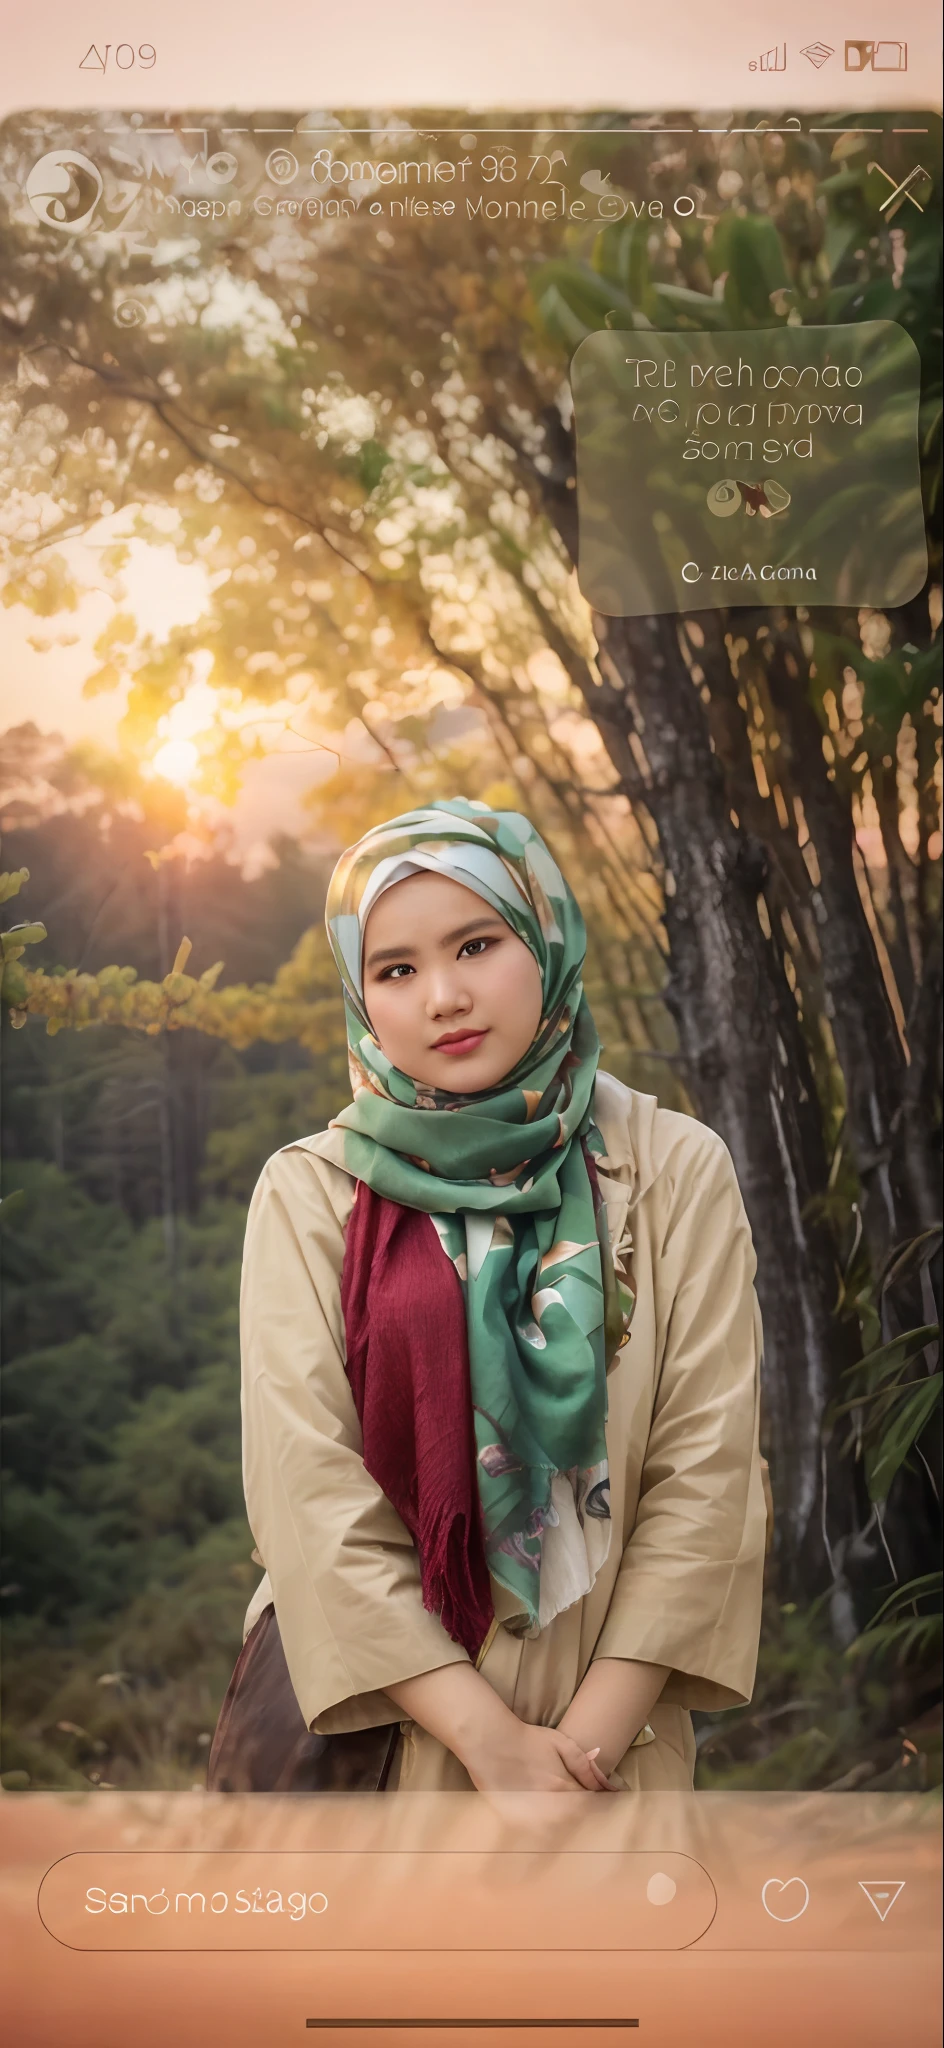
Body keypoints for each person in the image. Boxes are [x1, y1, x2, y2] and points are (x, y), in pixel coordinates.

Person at [238, 797, 768, 1793]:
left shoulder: (671, 1166)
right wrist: (488, 1743)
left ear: (541, 936)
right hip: (388, 1750)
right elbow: (306, 1492)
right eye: (394, 968)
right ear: (361, 993)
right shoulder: (315, 1192)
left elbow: (709, 1468)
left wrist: (579, 1751)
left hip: (611, 1753)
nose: (441, 995)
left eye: (475, 943)